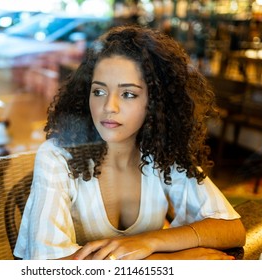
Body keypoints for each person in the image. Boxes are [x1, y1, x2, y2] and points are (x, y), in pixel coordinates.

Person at [14, 25, 246, 260]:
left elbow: (232, 229)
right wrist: (170, 259)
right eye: (99, 92)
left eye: (128, 94)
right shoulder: (57, 157)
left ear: (155, 102)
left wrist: (148, 241)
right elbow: (48, 264)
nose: (109, 107)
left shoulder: (159, 152)